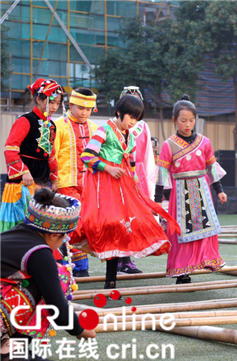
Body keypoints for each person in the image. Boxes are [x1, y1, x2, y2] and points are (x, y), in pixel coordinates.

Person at [73, 95, 179, 289]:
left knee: (127, 225)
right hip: (105, 186)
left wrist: (133, 180)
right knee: (112, 225)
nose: (133, 122)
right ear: (120, 112)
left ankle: (111, 281)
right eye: (131, 117)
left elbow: (129, 160)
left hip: (124, 185)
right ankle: (109, 281)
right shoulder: (104, 130)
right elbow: (87, 155)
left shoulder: (129, 133)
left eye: (137, 118)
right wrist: (109, 168)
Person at [1, 188, 96, 361]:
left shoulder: (17, 235)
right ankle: (11, 353)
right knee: (60, 276)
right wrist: (81, 330)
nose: (64, 241)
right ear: (53, 235)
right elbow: (56, 307)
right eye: (64, 238)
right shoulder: (39, 252)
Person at [158, 95, 227, 284]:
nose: (188, 124)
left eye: (191, 120)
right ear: (174, 121)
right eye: (183, 121)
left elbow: (212, 167)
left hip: (202, 189)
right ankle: (182, 271)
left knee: (206, 228)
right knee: (180, 233)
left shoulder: (204, 142)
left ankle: (206, 260)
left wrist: (219, 190)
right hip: (179, 193)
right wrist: (159, 198)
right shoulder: (168, 144)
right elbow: (162, 172)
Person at [1, 79, 63, 232]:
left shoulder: (51, 125)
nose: (54, 107)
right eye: (51, 102)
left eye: (57, 103)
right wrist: (24, 171)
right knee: (20, 223)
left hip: (42, 178)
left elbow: (51, 154)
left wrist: (54, 178)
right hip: (24, 179)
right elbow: (10, 149)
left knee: (40, 223)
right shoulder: (25, 121)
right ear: (38, 99)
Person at [53, 87, 99, 277]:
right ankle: (78, 267)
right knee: (75, 224)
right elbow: (52, 154)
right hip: (66, 183)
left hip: (89, 186)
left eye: (88, 109)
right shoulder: (59, 125)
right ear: (70, 105)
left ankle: (76, 265)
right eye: (80, 108)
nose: (84, 113)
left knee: (87, 224)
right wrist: (53, 178)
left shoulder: (95, 128)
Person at [116, 86, 158, 275]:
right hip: (118, 174)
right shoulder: (112, 126)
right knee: (118, 217)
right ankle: (117, 259)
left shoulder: (143, 127)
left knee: (133, 219)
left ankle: (127, 259)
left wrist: (149, 185)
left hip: (137, 176)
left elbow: (148, 156)